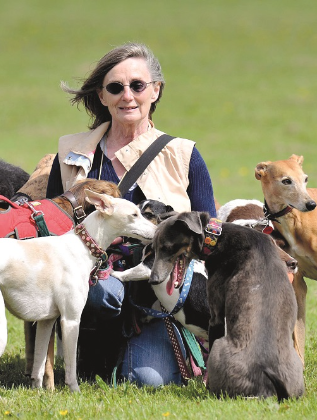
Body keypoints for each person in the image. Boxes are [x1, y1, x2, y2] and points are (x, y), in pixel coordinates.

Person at [45, 42, 216, 386]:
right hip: (91, 288)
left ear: (155, 90)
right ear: (102, 95)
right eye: (115, 87)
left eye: (137, 85)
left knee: (146, 381)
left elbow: (210, 235)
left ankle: (145, 349)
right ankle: (88, 348)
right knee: (104, 292)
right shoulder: (70, 152)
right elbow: (51, 223)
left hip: (157, 299)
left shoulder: (183, 155)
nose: (127, 95)